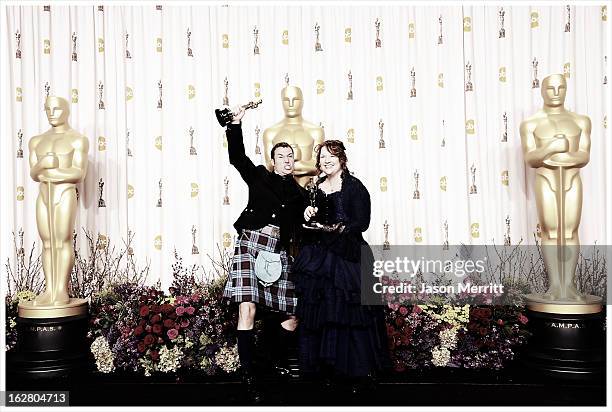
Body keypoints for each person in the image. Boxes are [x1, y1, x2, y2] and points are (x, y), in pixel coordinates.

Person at [222, 106, 306, 402]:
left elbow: (308, 226)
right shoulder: (259, 177)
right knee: (248, 309)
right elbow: (237, 157)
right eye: (281, 156)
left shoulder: (301, 195)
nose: (287, 160)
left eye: (291, 157)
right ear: (272, 161)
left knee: (293, 313)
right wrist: (235, 124)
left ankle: (271, 361)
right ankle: (248, 372)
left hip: (278, 251)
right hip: (251, 244)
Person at [293, 140, 388, 394]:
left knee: (351, 314)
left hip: (348, 256)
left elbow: (363, 222)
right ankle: (326, 370)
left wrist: (339, 228)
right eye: (322, 157)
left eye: (331, 156)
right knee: (323, 314)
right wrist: (308, 214)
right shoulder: (316, 187)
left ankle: (357, 371)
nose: (326, 160)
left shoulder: (355, 187)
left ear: (342, 159)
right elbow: (312, 220)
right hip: (322, 257)